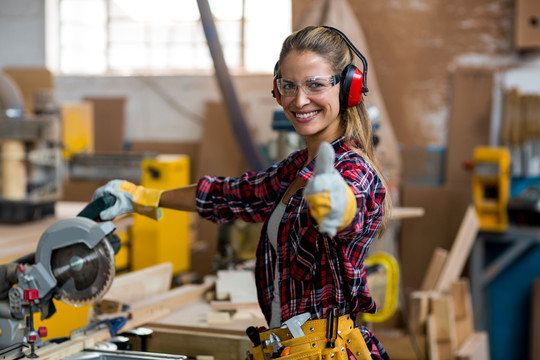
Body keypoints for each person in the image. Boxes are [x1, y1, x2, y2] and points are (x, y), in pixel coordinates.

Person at [93, 25, 391, 360]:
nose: (299, 100)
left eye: (315, 85)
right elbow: (231, 195)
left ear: (348, 89)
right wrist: (143, 197)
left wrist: (340, 204)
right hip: (287, 348)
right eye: (288, 86)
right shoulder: (295, 168)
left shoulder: (354, 170)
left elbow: (355, 198)